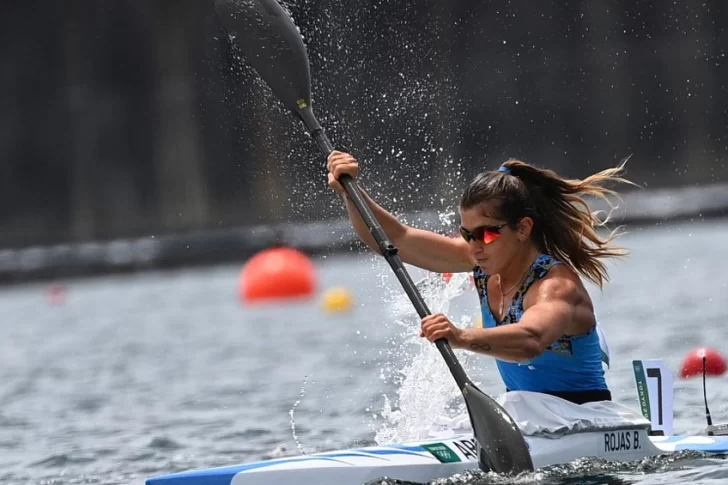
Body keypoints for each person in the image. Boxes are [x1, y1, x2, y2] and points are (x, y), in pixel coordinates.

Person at [327, 150, 635, 405]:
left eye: (486, 233)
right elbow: (396, 238)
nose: (474, 245)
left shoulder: (556, 286)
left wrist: (460, 337)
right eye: (466, 233)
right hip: (529, 417)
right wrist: (351, 193)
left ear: (523, 229)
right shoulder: (481, 261)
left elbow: (531, 340)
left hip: (583, 416)